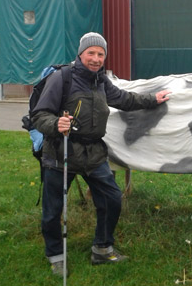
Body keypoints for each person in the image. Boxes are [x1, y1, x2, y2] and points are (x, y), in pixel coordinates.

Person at [31, 32, 171, 276]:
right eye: (91, 53)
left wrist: (152, 99)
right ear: (81, 53)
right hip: (61, 152)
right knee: (53, 209)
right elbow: (40, 115)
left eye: (100, 54)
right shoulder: (61, 78)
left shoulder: (101, 81)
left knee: (112, 198)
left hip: (94, 153)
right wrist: (56, 125)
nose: (96, 59)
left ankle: (102, 248)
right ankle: (56, 254)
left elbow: (124, 99)